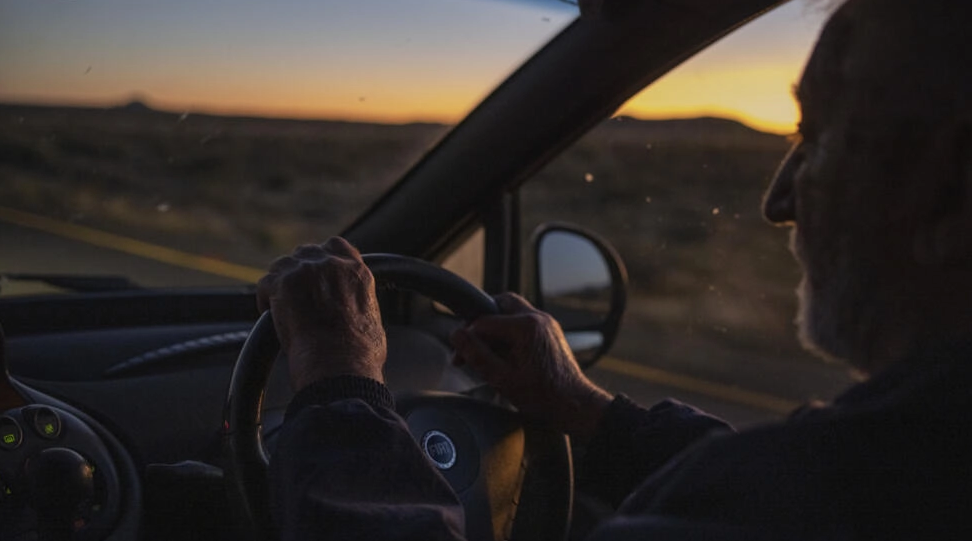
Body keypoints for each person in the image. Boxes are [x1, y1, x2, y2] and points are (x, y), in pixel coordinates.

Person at [259, 0, 972, 539]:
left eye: (815, 142)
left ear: (947, 190)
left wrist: (339, 380)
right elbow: (798, 479)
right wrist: (584, 408)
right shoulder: (910, 458)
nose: (778, 200)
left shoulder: (844, 483)